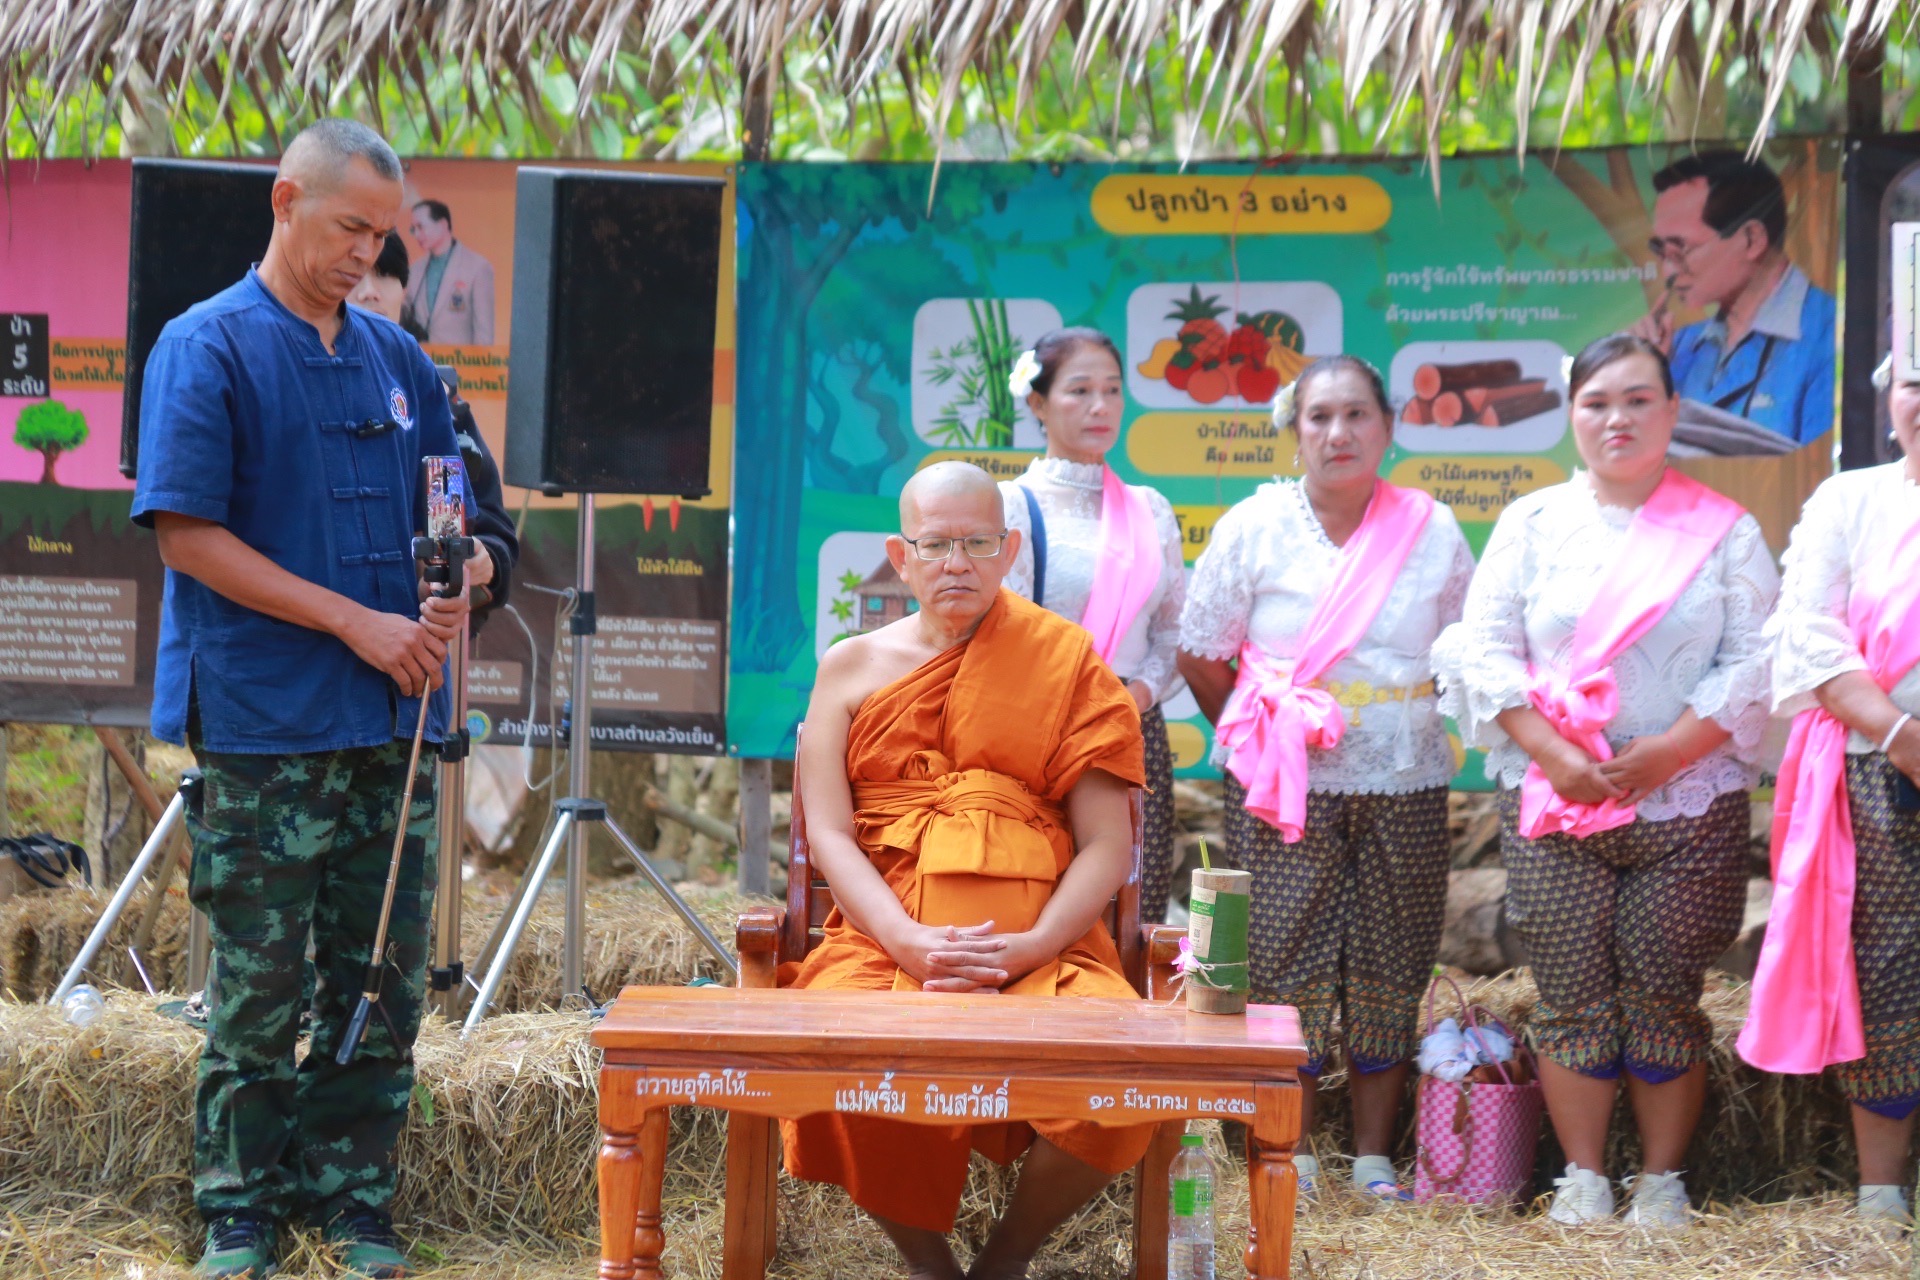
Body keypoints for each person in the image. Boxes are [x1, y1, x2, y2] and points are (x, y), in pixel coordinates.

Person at [131, 119, 484, 1280]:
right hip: (269, 721)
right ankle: (239, 1208)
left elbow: (456, 514)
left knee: (380, 970)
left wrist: (461, 572)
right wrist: (353, 618)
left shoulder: (398, 361)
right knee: (258, 982)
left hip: (395, 718)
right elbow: (186, 535)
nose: (365, 255)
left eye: (382, 237)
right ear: (285, 202)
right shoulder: (207, 344)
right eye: (348, 229)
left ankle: (354, 1199)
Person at [1431, 334, 1778, 1229]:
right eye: (1597, 402)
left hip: (1686, 798)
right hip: (1557, 797)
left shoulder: (1726, 530)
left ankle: (1662, 1183)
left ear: (1671, 412)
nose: (1616, 418)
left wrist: (1670, 750)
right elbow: (1482, 648)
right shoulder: (1532, 523)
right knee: (1574, 994)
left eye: (1637, 400)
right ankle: (1583, 1180)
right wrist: (1551, 752)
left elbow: (1754, 662)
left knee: (1665, 995)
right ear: (1572, 413)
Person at [785, 461, 1154, 1280]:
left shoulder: (1065, 663)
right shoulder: (849, 668)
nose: (958, 563)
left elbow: (1106, 845)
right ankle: (929, 1264)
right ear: (900, 554)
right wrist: (906, 940)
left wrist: (1035, 948)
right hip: (885, 945)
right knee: (823, 1059)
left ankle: (1006, 1259)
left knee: (1127, 1087)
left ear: (1010, 548)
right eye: (937, 544)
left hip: (1046, 950)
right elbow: (832, 835)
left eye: (978, 543)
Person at [1176, 355, 1474, 1202]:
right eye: (1319, 417)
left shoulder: (1431, 528)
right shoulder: (1256, 526)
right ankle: (1292, 1154)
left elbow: (1463, 648)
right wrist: (1263, 725)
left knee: (1392, 959)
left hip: (1404, 776)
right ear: (1294, 429)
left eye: (1356, 416)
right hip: (1284, 786)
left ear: (1388, 427)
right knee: (1281, 962)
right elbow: (1201, 653)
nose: (1337, 434)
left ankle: (1376, 1159)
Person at [1741, 354, 1920, 1223]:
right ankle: (1882, 1193)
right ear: (1891, 395)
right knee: (1887, 972)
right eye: (1917, 380)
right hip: (1877, 769)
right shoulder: (1851, 500)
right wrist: (1898, 734)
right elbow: (1809, 634)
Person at [1000, 328, 1188, 924]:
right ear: (1037, 402)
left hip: (1134, 730)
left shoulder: (1150, 508)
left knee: (1135, 910)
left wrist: (1137, 696)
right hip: (1041, 734)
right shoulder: (1012, 504)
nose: (1100, 406)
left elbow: (1173, 631)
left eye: (1111, 390)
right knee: (1041, 903)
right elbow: (1003, 630)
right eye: (1079, 390)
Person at [351, 230, 519, 633]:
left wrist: (477, 561)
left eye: (386, 275)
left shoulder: (435, 399)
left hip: (418, 650)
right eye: (357, 274)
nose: (370, 292)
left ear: (404, 290)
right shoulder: (302, 385)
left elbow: (477, 539)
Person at [1631, 150, 1836, 447]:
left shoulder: (1832, 333)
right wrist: (1643, 376)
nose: (1669, 270)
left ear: (1752, 239)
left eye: (1680, 250)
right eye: (1661, 251)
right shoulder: (1676, 347)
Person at [404, 199, 495, 346]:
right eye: (413, 229)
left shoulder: (478, 267)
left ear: (443, 224)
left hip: (460, 364)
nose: (417, 234)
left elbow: (484, 335)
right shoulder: (415, 270)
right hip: (420, 363)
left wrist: (480, 367)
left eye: (421, 227)